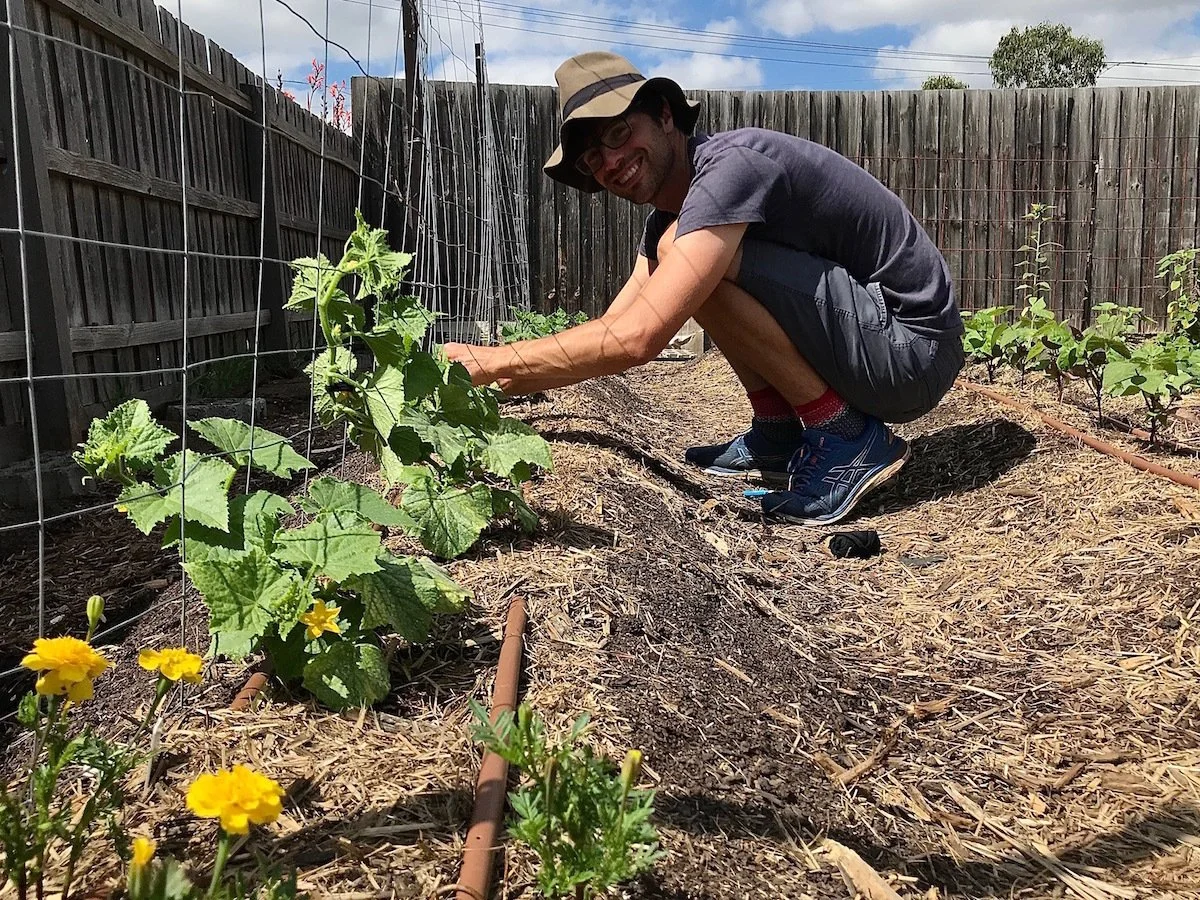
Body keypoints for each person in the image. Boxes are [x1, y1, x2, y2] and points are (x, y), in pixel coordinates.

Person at [445, 51, 964, 526]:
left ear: (666, 115)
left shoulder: (729, 168)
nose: (608, 161)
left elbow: (638, 338)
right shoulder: (674, 220)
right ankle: (778, 434)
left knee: (688, 262)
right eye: (590, 159)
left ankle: (845, 437)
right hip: (872, 346)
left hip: (912, 348)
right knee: (683, 256)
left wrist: (497, 362)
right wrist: (510, 374)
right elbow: (613, 324)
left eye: (619, 133)